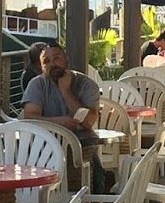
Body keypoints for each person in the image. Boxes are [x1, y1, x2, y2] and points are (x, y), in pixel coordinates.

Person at [22, 43, 104, 188]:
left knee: (96, 174)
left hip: (82, 147)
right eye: (46, 61)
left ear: (67, 61)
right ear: (42, 68)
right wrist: (58, 123)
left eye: (56, 58)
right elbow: (30, 118)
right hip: (43, 147)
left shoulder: (87, 85)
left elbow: (88, 121)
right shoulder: (37, 85)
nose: (52, 64)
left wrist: (65, 90)